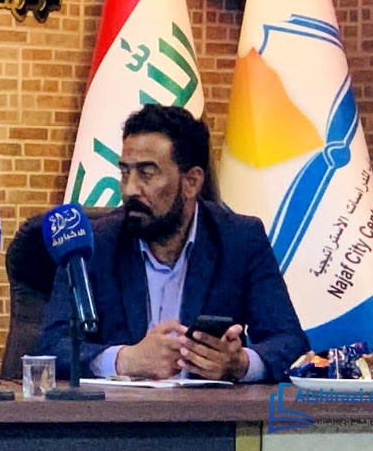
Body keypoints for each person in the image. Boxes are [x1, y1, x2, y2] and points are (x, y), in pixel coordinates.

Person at [36, 104, 309, 383]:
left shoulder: (239, 240)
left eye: (146, 173)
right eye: (125, 172)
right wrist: (124, 360)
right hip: (120, 409)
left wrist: (239, 364)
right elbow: (50, 347)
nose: (130, 189)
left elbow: (291, 344)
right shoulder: (93, 245)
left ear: (191, 182)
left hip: (207, 410)